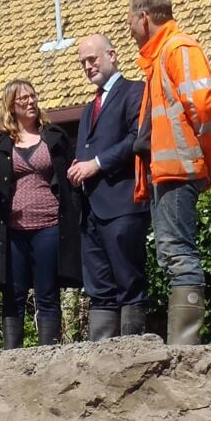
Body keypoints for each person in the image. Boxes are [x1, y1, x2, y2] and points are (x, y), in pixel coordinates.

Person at [127, 0, 211, 345]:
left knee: (178, 253)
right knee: (171, 253)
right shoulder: (159, 57)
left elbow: (205, 106)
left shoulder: (177, 48)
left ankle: (185, 348)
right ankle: (183, 345)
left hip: (177, 169)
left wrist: (208, 159)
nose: (130, 29)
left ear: (144, 17)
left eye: (130, 21)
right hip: (167, 170)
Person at [0, 79, 82, 348]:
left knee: (47, 293)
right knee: (13, 294)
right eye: (23, 99)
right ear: (11, 106)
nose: (30, 102)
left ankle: (48, 354)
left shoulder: (53, 137)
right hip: (11, 232)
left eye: (33, 97)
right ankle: (12, 358)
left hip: (49, 226)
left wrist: (74, 212)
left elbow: (71, 179)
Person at [69, 34, 149, 340]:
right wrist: (79, 166)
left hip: (124, 203)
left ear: (112, 56)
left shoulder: (134, 92)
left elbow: (136, 139)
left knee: (129, 281)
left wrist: (97, 163)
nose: (88, 67)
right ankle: (102, 357)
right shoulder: (89, 109)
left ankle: (133, 353)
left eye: (93, 59)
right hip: (91, 210)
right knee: (99, 286)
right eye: (83, 63)